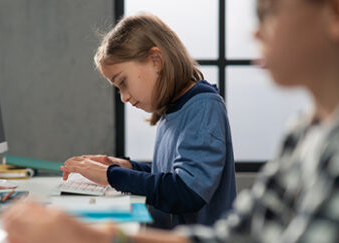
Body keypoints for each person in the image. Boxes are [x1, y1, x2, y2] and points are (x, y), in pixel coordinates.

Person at [1, 0, 339, 243]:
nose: (254, 31)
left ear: (333, 13)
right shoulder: (303, 131)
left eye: (269, 12)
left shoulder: (204, 105)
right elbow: (230, 240)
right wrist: (95, 235)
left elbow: (188, 194)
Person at [60, 14, 237, 229]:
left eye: (123, 82)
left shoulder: (203, 107)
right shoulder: (173, 109)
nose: (123, 97)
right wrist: (125, 167)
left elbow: (185, 192)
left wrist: (112, 176)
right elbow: (167, 177)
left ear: (156, 61)